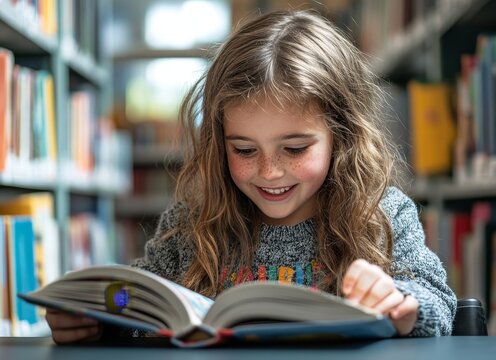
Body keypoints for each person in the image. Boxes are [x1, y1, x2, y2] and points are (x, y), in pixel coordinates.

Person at [46, 9, 457, 343]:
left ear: (342, 135)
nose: (269, 171)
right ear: (218, 140)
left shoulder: (380, 214)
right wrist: (97, 314)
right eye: (243, 149)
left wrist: (402, 305)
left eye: (295, 148)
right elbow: (138, 302)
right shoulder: (194, 223)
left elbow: (439, 302)